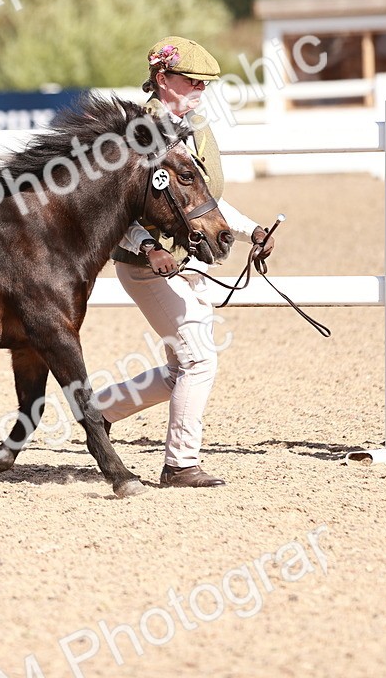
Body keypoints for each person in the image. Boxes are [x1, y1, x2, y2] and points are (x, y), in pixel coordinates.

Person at [95, 36, 275, 489]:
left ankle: (98, 412)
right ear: (162, 79)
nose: (200, 88)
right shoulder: (138, 135)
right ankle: (180, 464)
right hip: (146, 265)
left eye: (204, 82)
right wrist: (148, 249)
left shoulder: (195, 126)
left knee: (182, 368)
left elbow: (199, 202)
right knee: (199, 360)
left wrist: (249, 228)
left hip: (187, 263)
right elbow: (114, 210)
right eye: (191, 79)